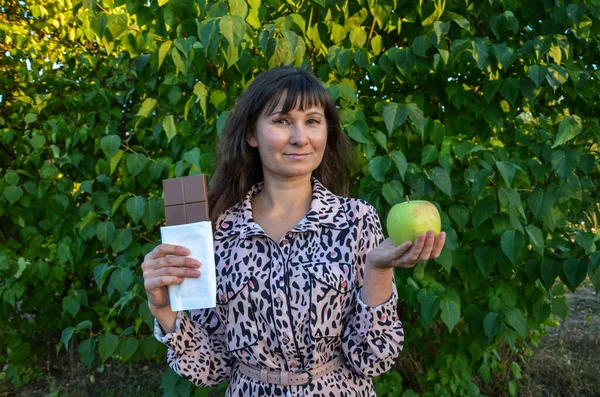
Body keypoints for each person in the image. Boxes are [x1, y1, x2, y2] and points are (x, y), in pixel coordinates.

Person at [142, 66, 446, 396]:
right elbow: (211, 367)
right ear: (251, 134)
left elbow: (373, 358)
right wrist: (165, 312)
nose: (300, 137)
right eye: (282, 121)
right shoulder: (218, 232)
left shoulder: (355, 221)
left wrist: (379, 270)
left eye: (312, 121)